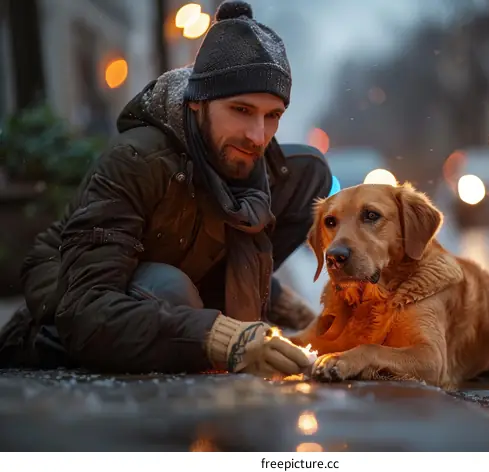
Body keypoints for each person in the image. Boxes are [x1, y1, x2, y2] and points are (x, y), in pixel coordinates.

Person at [0, 0, 332, 378]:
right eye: (241, 110)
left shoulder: (251, 167)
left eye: (272, 116)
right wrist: (223, 337)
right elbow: (86, 307)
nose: (258, 136)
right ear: (197, 104)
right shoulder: (137, 159)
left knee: (308, 174)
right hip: (68, 313)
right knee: (170, 289)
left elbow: (212, 257)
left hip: (164, 291)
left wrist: (291, 311)